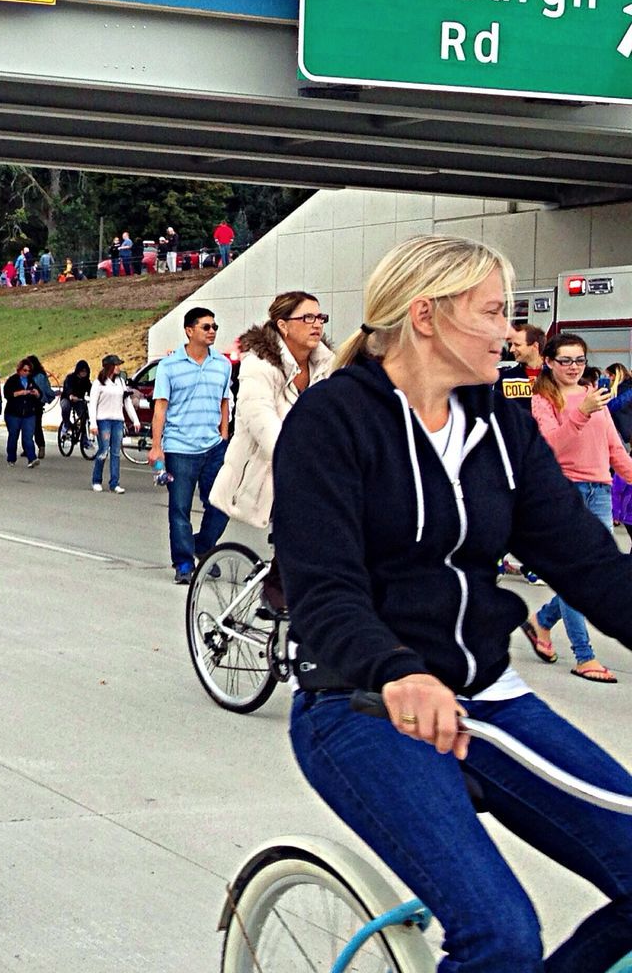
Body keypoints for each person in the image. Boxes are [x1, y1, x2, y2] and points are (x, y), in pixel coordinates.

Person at [271, 233, 632, 973]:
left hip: (490, 701)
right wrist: (395, 669)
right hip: (366, 703)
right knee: (500, 936)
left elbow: (587, 562)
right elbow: (324, 585)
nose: (511, 331)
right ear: (427, 315)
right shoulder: (333, 419)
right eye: (495, 313)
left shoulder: (501, 419)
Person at [520, 334, 632, 684]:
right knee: (576, 576)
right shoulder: (542, 399)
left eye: (580, 360)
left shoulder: (592, 397)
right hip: (562, 492)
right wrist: (580, 415)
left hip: (599, 490)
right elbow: (551, 445)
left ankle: (542, 620)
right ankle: (585, 656)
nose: (573, 367)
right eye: (566, 360)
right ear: (550, 362)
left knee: (597, 573)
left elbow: (614, 448)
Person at [210, 291, 334, 530]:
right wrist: (301, 461)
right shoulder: (258, 366)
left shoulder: (326, 365)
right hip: (262, 477)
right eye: (308, 318)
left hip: (309, 476)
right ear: (283, 325)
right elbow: (262, 422)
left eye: (320, 317)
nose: (317, 324)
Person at [149, 306, 232, 583]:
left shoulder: (222, 364)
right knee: (180, 509)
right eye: (206, 327)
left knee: (222, 504)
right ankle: (184, 564)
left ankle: (203, 545)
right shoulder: (168, 366)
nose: (212, 331)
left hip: (213, 447)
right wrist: (156, 446)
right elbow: (161, 407)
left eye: (214, 327)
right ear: (189, 330)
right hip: (179, 448)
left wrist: (224, 435)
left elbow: (225, 402)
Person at [90, 355, 139, 494]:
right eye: (116, 365)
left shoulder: (121, 382)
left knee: (116, 452)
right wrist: (93, 423)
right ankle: (96, 480)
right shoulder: (98, 383)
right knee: (104, 450)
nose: (119, 367)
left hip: (118, 420)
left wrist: (135, 419)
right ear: (109, 366)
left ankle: (114, 483)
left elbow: (127, 402)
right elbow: (92, 404)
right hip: (103, 420)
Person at [498, 323, 545, 411]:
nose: (511, 350)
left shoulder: (554, 376)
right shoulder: (504, 377)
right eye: (511, 345)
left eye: (517, 345)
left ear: (535, 346)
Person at [3, 359, 41, 467]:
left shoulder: (31, 381)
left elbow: (40, 395)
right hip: (13, 413)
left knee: (28, 437)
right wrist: (20, 393)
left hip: (29, 413)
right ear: (19, 370)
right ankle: (11, 458)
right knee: (13, 436)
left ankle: (32, 458)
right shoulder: (12, 380)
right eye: (24, 370)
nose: (26, 373)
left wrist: (36, 393)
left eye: (29, 371)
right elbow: (7, 394)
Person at [25, 354, 55, 459]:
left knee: (36, 426)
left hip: (36, 404)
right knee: (27, 427)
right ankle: (28, 448)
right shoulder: (26, 375)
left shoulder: (40, 376)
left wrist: (51, 395)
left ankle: (41, 447)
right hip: (26, 404)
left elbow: (45, 390)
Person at [60, 359, 92, 435]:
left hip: (79, 400)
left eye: (86, 371)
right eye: (82, 371)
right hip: (67, 398)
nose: (84, 373)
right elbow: (68, 388)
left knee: (84, 415)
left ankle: (84, 437)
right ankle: (66, 424)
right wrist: (71, 395)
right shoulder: (70, 378)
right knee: (65, 407)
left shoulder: (86, 381)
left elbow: (91, 390)